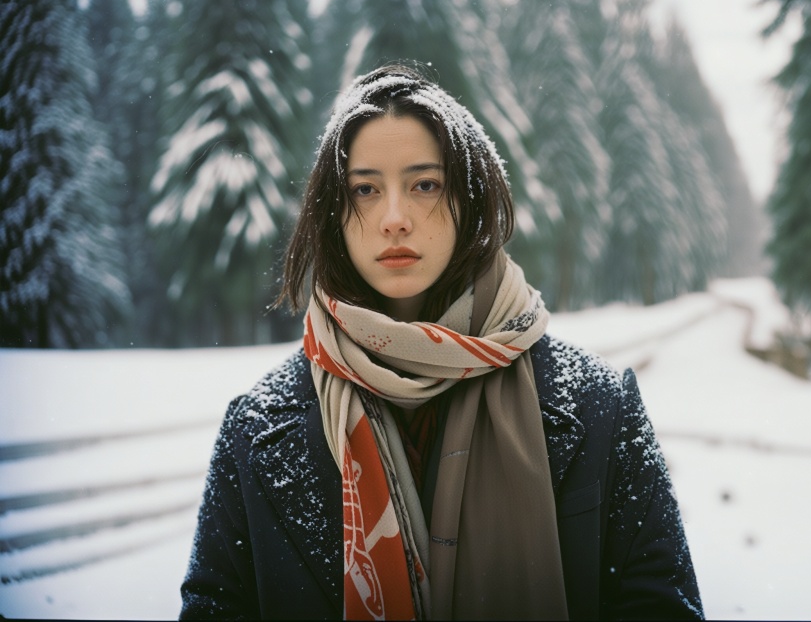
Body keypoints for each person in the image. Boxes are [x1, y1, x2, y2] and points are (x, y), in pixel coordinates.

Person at [180, 64, 703, 620]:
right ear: (333, 212)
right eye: (365, 190)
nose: (395, 218)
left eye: (424, 185)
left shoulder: (600, 406)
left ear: (469, 198)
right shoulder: (257, 429)